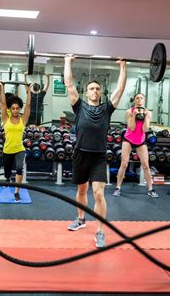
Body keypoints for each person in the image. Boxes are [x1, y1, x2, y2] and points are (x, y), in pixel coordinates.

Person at [64, 55, 127, 248]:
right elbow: (68, 84)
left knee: (99, 194)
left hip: (99, 155)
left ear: (101, 92)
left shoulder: (107, 109)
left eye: (98, 89)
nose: (95, 91)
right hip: (80, 153)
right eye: (92, 88)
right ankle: (81, 219)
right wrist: (67, 61)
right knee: (81, 190)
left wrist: (123, 67)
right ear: (86, 92)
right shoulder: (79, 106)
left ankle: (100, 232)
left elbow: (120, 90)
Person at [113, 93, 157, 198]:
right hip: (128, 139)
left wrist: (145, 117)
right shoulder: (129, 111)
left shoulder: (148, 112)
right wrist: (134, 116)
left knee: (146, 165)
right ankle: (118, 188)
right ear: (134, 100)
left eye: (141, 98)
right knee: (124, 164)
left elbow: (145, 129)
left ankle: (150, 189)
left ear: (144, 100)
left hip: (140, 141)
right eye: (137, 98)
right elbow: (131, 127)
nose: (139, 100)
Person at [0, 81, 31, 201]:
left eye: (17, 108)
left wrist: (29, 90)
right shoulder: (5, 119)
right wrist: (2, 87)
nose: (16, 110)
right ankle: (7, 178)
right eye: (13, 108)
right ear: (10, 109)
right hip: (7, 149)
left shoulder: (23, 120)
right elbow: (2, 103)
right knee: (7, 173)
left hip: (19, 149)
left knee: (19, 168)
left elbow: (28, 106)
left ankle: (17, 191)